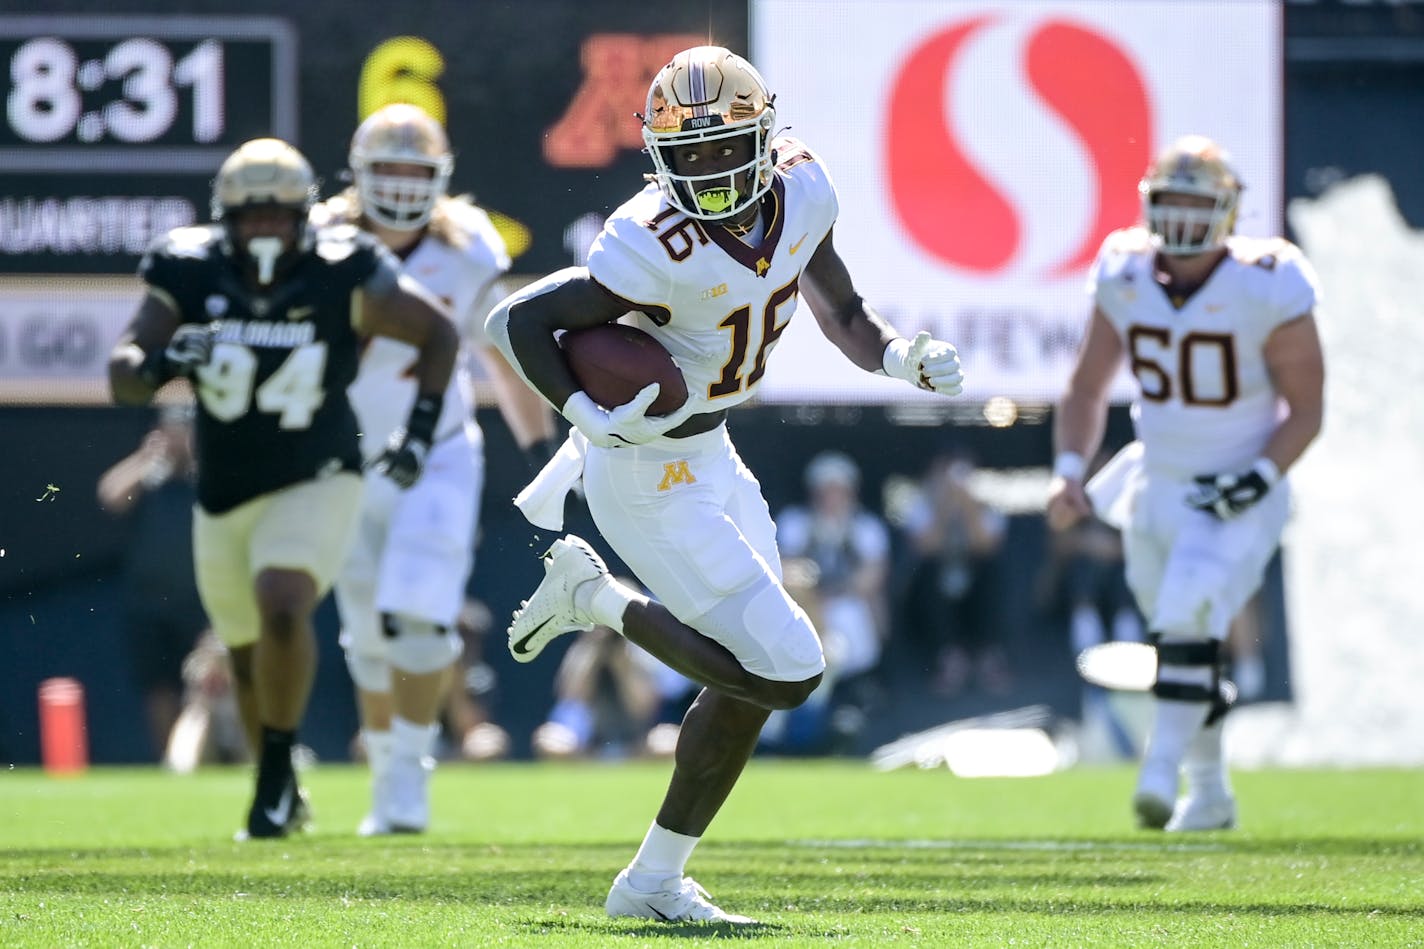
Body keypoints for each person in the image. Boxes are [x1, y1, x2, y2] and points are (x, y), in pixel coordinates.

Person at [485, 46, 963, 922]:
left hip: (715, 453)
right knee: (788, 670)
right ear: (658, 154)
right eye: (688, 154)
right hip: (643, 466)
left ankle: (653, 883)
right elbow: (519, 320)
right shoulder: (648, 237)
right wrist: (584, 416)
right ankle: (594, 598)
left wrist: (900, 356)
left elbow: (844, 314)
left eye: (722, 147)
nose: (705, 169)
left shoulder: (804, 190)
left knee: (748, 683)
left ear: (764, 134)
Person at [108, 137, 458, 839]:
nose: (266, 226)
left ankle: (270, 778)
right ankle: (281, 772)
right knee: (243, 653)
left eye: (279, 213)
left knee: (282, 599)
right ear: (225, 218)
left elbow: (438, 332)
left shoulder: (342, 265)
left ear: (305, 214)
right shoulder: (189, 264)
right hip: (227, 488)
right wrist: (162, 359)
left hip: (318, 473)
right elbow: (122, 372)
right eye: (251, 214)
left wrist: (418, 433)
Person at [1046, 135, 1324, 831]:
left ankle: (1158, 769)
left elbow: (1309, 408)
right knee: (1182, 638)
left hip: (1238, 477)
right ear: (1149, 205)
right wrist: (1071, 470)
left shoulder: (1269, 278)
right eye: (1171, 201)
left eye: (1198, 203)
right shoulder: (1125, 270)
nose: (1183, 218)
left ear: (1228, 211)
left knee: (1185, 607)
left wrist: (1259, 476)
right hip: (1158, 480)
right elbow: (1084, 389)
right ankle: (1212, 792)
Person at [316, 103, 555, 835]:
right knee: (364, 629)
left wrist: (541, 454)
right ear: (358, 175)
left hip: (437, 453)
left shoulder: (467, 247)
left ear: (439, 178)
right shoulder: (321, 239)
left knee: (419, 616)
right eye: (385, 169)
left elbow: (503, 357)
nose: (398, 185)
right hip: (342, 458)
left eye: (412, 171)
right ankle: (389, 773)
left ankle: (409, 780)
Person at [96, 401, 209, 760]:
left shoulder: (207, 478)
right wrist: (146, 458)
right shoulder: (149, 477)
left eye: (187, 428)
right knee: (158, 690)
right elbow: (111, 497)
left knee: (202, 688)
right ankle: (168, 762)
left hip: (198, 606)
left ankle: (191, 761)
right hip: (147, 605)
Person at [900, 450, 1010, 696]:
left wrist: (967, 505)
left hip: (973, 593)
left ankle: (987, 654)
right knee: (928, 573)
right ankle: (950, 657)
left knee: (991, 571)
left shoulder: (986, 504)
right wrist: (945, 506)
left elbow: (986, 546)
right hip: (933, 595)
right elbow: (926, 547)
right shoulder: (919, 504)